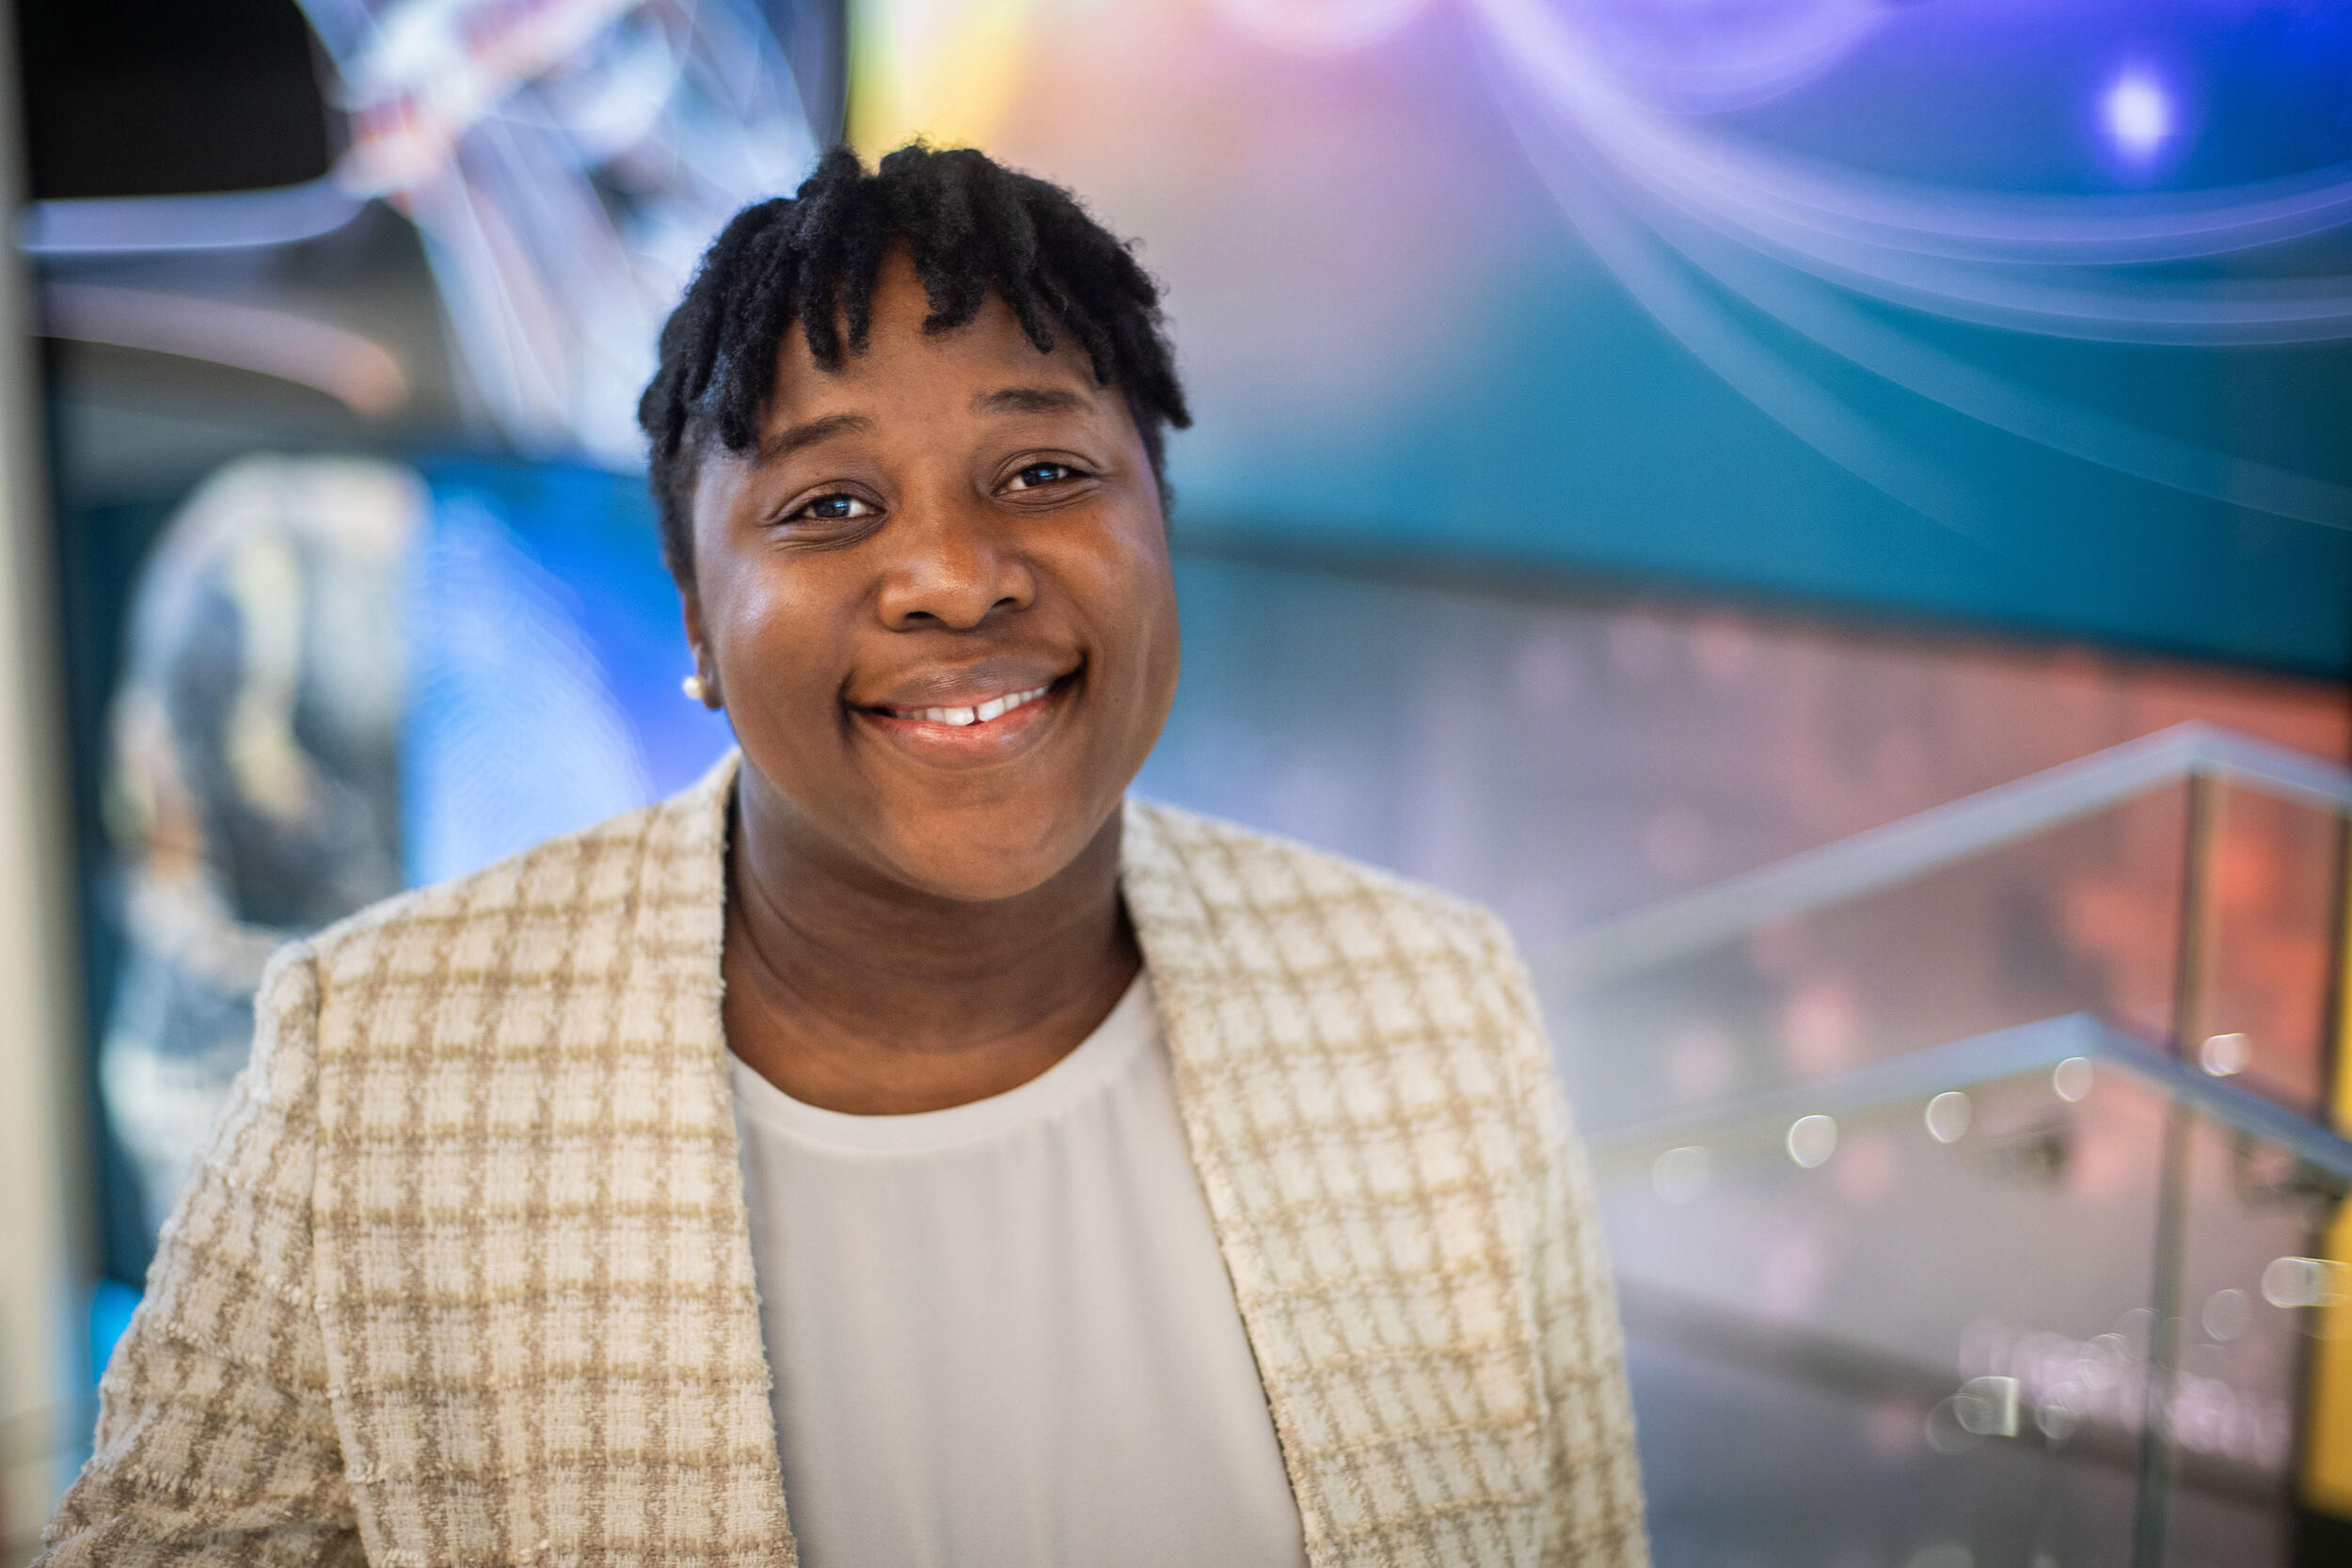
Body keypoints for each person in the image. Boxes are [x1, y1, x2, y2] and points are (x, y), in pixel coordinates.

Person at [43, 145, 1646, 1567]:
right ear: (693, 619)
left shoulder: (1433, 1004)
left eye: (1044, 474)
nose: (955, 577)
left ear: (1161, 524)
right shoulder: (379, 1056)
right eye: (827, 505)